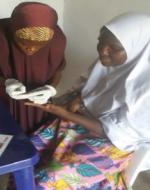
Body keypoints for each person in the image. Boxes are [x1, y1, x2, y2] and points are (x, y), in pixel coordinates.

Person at [25, 13, 150, 189]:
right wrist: (79, 98)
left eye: (113, 47)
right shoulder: (105, 63)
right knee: (24, 155)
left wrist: (64, 113)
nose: (102, 50)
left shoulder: (146, 91)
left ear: (138, 48)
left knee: (45, 181)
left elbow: (114, 132)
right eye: (100, 41)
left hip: (111, 144)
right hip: (78, 124)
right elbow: (90, 86)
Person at [0, 2, 66, 135]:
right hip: (4, 96)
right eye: (24, 44)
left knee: (37, 135)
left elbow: (58, 69)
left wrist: (51, 88)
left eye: (39, 46)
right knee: (5, 134)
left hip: (39, 100)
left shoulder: (57, 39)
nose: (31, 50)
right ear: (13, 31)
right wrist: (5, 82)